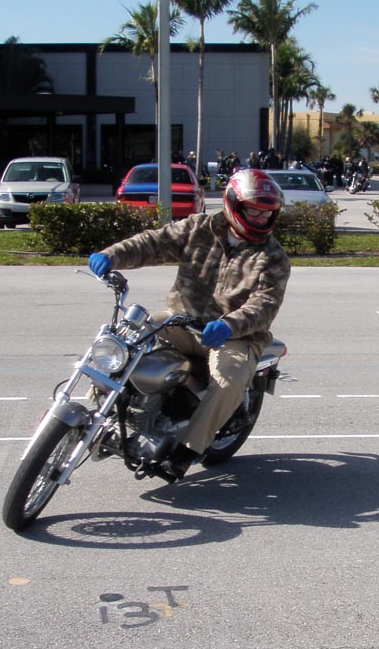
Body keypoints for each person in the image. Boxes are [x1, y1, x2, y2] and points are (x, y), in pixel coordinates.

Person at [86, 168, 291, 482]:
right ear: (233, 203)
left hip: (234, 336)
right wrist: (112, 255)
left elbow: (265, 305)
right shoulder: (199, 228)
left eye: (267, 213)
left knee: (229, 379)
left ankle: (188, 449)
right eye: (254, 211)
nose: (261, 218)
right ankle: (100, 408)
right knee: (123, 335)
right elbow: (154, 243)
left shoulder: (273, 256)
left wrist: (229, 325)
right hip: (182, 321)